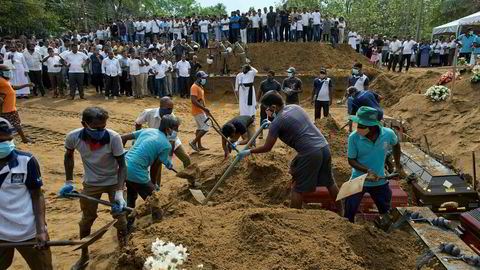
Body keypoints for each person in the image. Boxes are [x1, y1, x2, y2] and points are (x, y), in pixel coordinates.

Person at [237, 92, 342, 211]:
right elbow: (293, 123)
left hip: (310, 153)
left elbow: (267, 147)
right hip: (324, 147)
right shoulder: (296, 107)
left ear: (274, 107)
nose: (266, 111)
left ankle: (294, 216)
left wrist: (249, 151)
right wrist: (273, 123)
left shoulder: (277, 122)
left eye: (267, 108)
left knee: (297, 188)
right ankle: (341, 211)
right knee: (329, 182)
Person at [61, 107, 128, 269]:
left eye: (103, 127)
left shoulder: (113, 138)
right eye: (96, 128)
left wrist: (119, 192)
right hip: (91, 183)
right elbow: (68, 156)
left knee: (121, 218)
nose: (100, 131)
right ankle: (84, 256)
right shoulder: (73, 137)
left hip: (113, 181)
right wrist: (69, 181)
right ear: (84, 124)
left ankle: (124, 252)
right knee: (86, 221)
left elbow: (122, 166)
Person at [0, 118, 52, 270]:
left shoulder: (26, 160)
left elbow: (37, 195)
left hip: (28, 231)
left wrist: (41, 230)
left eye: (9, 139)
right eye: (0, 141)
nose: (6, 144)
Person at [121, 115, 179, 231]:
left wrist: (121, 153)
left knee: (131, 195)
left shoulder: (148, 130)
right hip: (136, 171)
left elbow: (122, 137)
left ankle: (128, 224)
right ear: (168, 129)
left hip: (124, 167)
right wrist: (153, 184)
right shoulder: (166, 145)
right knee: (155, 200)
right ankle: (157, 226)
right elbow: (155, 167)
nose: (176, 132)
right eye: (176, 129)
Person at [344, 106, 402, 223]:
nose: (358, 128)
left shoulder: (388, 134)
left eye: (362, 126)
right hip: (358, 179)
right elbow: (352, 160)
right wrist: (367, 171)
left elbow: (396, 144)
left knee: (386, 210)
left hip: (380, 181)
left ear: (372, 127)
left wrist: (397, 165)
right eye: (358, 125)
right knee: (348, 211)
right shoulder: (354, 138)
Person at [135, 97, 191, 187]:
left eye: (172, 109)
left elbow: (172, 139)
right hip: (155, 143)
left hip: (170, 141)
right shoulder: (149, 113)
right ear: (161, 107)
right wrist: (137, 138)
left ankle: (191, 182)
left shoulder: (172, 118)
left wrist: (168, 158)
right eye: (168, 109)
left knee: (186, 158)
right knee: (157, 165)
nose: (170, 111)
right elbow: (138, 123)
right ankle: (156, 188)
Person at [0, 64, 33, 143]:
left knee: (17, 124)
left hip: (11, 108)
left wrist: (26, 85)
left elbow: (13, 87)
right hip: (4, 110)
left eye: (9, 71)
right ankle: (7, 142)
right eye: (6, 71)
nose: (9, 72)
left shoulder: (5, 80)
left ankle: (23, 138)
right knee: (5, 126)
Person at [189, 71, 210, 152]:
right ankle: (193, 143)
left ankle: (199, 145)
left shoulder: (200, 86)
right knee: (206, 127)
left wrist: (205, 109)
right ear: (198, 78)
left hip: (201, 110)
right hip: (198, 111)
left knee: (199, 128)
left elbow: (201, 99)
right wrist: (204, 109)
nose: (204, 79)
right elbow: (193, 101)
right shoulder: (194, 87)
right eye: (203, 78)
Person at [257, 70, 281, 139]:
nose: (268, 77)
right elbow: (259, 92)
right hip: (264, 105)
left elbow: (279, 95)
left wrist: (277, 105)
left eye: (269, 76)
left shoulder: (277, 84)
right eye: (267, 75)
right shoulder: (263, 83)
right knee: (263, 118)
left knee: (271, 119)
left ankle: (271, 134)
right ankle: (261, 133)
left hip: (272, 106)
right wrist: (257, 102)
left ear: (273, 76)